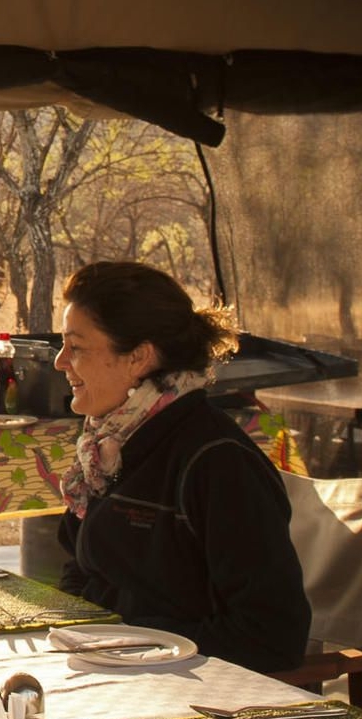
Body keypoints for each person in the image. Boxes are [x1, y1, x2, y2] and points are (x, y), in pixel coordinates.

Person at [51, 262, 311, 673]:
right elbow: (82, 568)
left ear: (138, 357)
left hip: (203, 698)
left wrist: (135, 638)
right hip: (120, 671)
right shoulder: (111, 446)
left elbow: (272, 636)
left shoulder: (217, 463)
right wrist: (88, 632)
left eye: (76, 347)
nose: (60, 362)